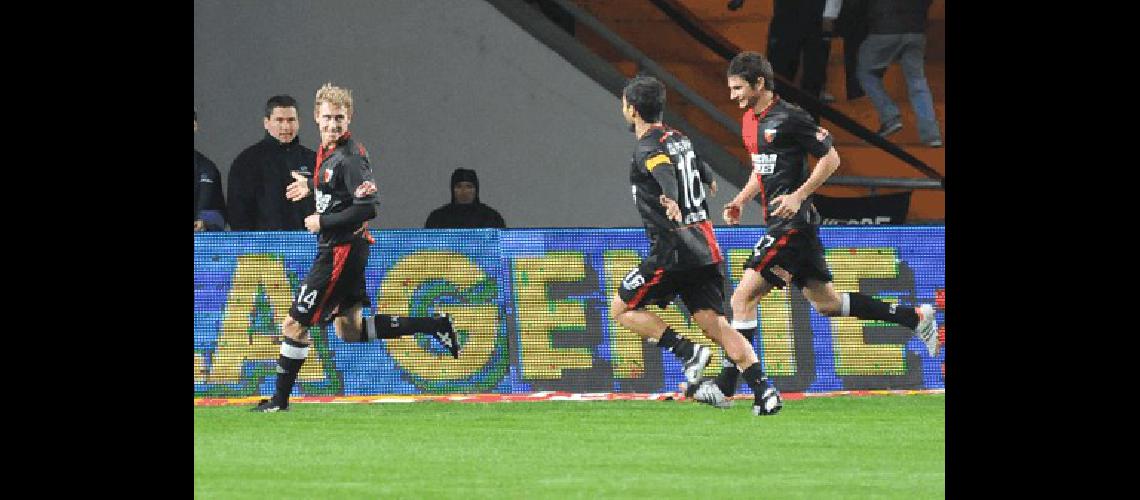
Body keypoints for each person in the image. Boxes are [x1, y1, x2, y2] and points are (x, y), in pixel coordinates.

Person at [685, 52, 938, 408]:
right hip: (783, 223)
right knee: (828, 304)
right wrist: (741, 199)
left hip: (795, 225)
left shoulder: (791, 117)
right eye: (731, 89)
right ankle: (913, 317)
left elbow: (831, 158)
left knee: (742, 298)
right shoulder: (749, 122)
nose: (733, 96)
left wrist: (798, 195)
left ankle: (726, 388)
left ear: (760, 83)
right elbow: (762, 169)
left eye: (738, 88)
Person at [252, 83, 460, 412]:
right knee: (349, 330)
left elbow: (369, 206)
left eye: (340, 118)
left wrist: (324, 222)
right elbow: (332, 182)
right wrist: (311, 184)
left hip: (341, 251)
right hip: (345, 247)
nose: (333, 124)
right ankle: (435, 325)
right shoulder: (327, 153)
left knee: (294, 324)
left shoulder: (351, 158)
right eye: (327, 117)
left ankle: (279, 402)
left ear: (349, 118)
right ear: (316, 119)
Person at [610, 75, 783, 416]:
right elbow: (694, 165)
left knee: (621, 308)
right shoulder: (679, 138)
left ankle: (688, 352)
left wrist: (672, 200)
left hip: (672, 248)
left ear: (632, 109)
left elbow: (663, 173)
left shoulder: (647, 147)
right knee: (716, 324)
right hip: (704, 245)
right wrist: (706, 178)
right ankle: (766, 392)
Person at [855, 0, 942, 146]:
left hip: (884, 28)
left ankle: (890, 116)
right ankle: (932, 135)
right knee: (917, 81)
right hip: (916, 29)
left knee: (865, 72)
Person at [226, 95, 318, 231]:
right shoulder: (246, 162)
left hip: (307, 246)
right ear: (266, 123)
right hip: (261, 249)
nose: (286, 126)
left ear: (299, 122)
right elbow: (237, 214)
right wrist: (251, 247)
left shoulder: (313, 159)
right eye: (279, 120)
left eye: (291, 120)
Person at [424, 168, 507, 229]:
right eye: (459, 187)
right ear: (452, 189)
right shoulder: (438, 218)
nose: (464, 192)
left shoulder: (491, 217)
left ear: (476, 189)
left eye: (469, 187)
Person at [194, 110, 226, 231]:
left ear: (194, 126)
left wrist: (204, 222)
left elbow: (221, 216)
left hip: (198, 246)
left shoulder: (207, 169)